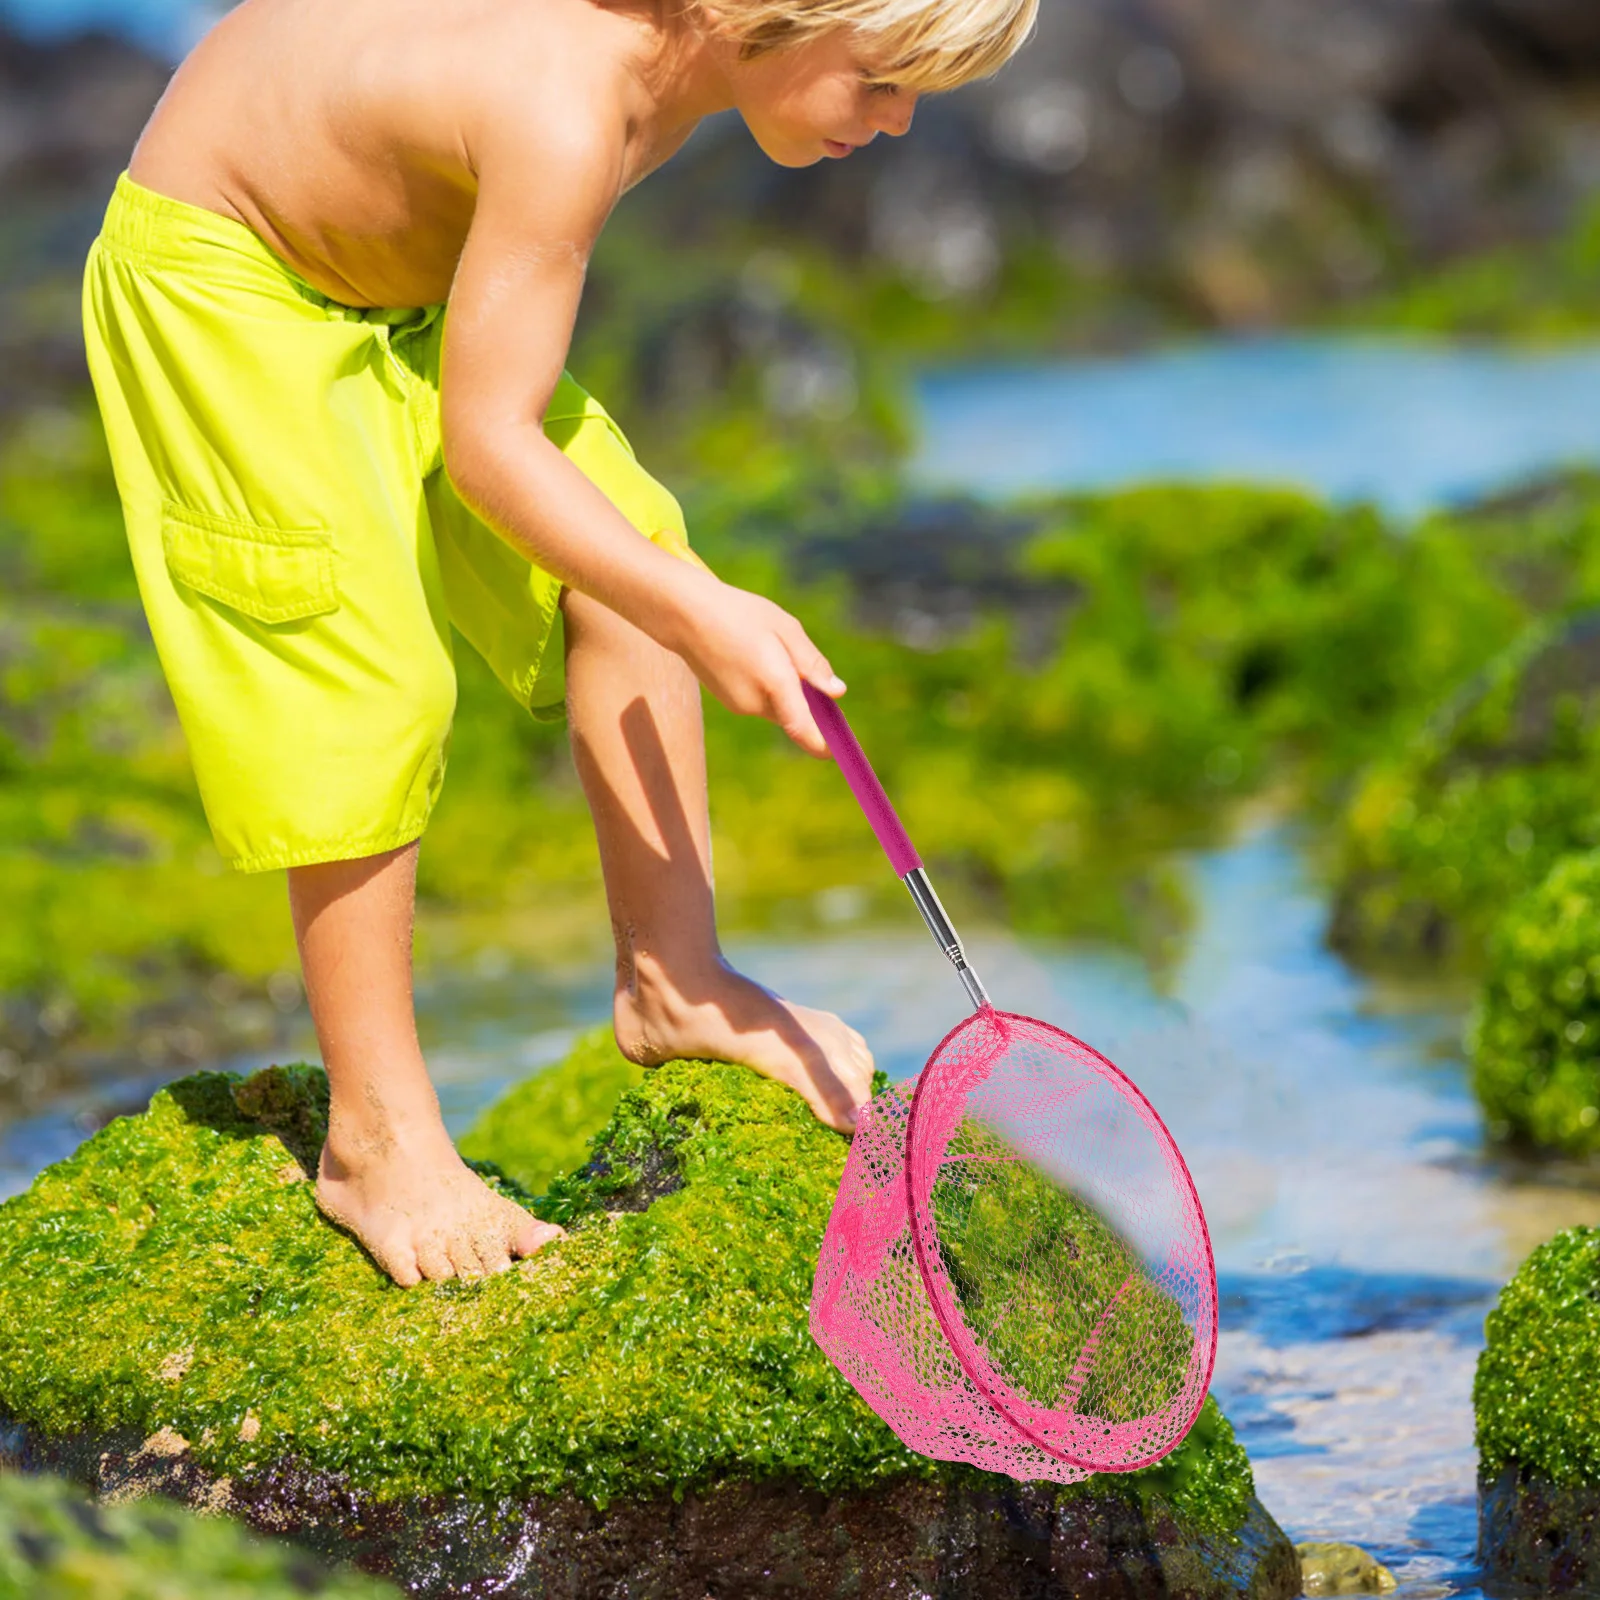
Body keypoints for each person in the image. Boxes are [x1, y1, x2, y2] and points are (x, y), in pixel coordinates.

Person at [81, 0, 1037, 1287]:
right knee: (372, 683)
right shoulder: (567, 103)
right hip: (232, 270)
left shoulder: (682, 63)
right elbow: (491, 448)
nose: (899, 119)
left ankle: (675, 980)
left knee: (634, 548)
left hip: (405, 277)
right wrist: (702, 614)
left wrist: (669, 588)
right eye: (880, 80)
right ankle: (378, 1135)